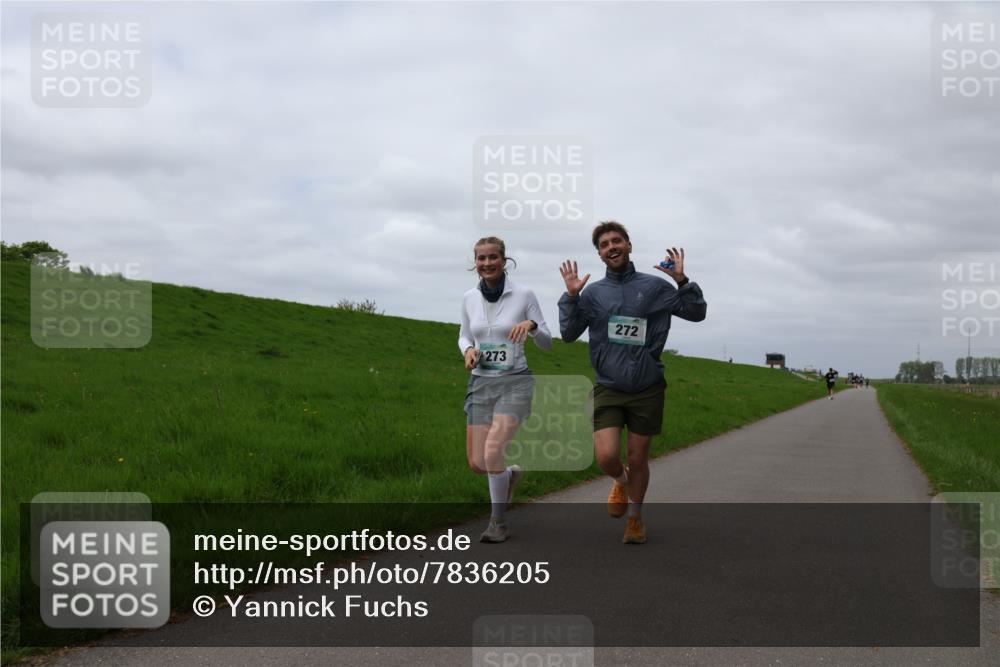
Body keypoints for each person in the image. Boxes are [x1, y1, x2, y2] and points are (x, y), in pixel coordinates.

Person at [558, 221, 707, 544]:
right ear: (599, 254)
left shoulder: (655, 288)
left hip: (647, 387)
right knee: (607, 456)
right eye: (604, 244)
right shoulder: (594, 293)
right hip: (609, 386)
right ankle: (620, 482)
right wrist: (571, 297)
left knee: (639, 458)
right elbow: (568, 334)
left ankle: (635, 519)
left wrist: (682, 281)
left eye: (617, 241)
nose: (611, 247)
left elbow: (696, 313)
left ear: (629, 245)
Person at [459, 236, 552, 543]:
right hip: (481, 383)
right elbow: (463, 336)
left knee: (492, 451)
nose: (487, 263)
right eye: (481, 258)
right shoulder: (469, 298)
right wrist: (468, 351)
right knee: (477, 463)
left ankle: (497, 523)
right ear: (475, 262)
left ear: (504, 260)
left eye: (493, 257)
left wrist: (531, 326)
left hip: (516, 382)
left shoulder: (524, 294)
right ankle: (510, 475)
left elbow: (548, 341)